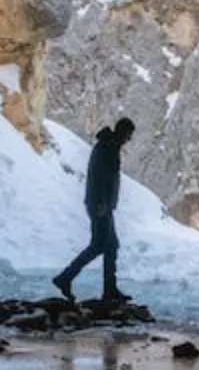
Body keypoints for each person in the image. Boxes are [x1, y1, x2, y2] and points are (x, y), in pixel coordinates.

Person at [52, 117, 136, 303]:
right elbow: (99, 177)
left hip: (102, 204)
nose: (128, 139)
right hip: (100, 205)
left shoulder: (108, 146)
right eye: (128, 135)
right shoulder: (106, 147)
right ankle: (65, 278)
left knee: (110, 245)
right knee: (100, 245)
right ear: (122, 131)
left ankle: (109, 290)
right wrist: (101, 203)